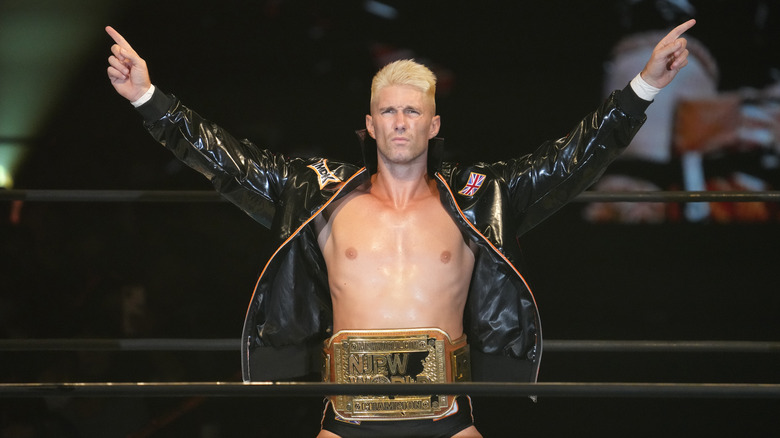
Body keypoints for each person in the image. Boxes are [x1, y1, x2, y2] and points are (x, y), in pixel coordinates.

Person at [106, 20, 695, 438]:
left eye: (413, 110)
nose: (400, 122)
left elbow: (572, 160)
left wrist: (644, 87)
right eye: (388, 111)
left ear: (434, 124)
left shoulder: (480, 197)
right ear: (369, 123)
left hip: (446, 419)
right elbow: (226, 160)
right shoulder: (319, 196)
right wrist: (147, 98)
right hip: (346, 418)